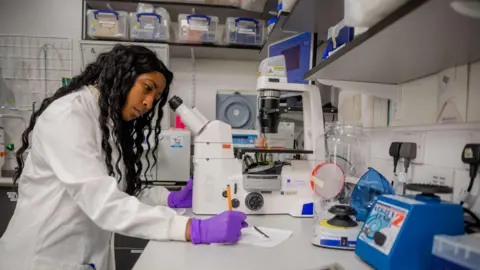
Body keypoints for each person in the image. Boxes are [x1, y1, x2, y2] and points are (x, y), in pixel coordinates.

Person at [0, 45, 248, 270]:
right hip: (41, 258)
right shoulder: (69, 115)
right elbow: (102, 201)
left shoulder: (107, 122)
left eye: (156, 97)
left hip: (81, 258)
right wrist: (191, 228)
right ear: (122, 75)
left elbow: (120, 189)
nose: (149, 102)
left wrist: (168, 198)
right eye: (147, 88)